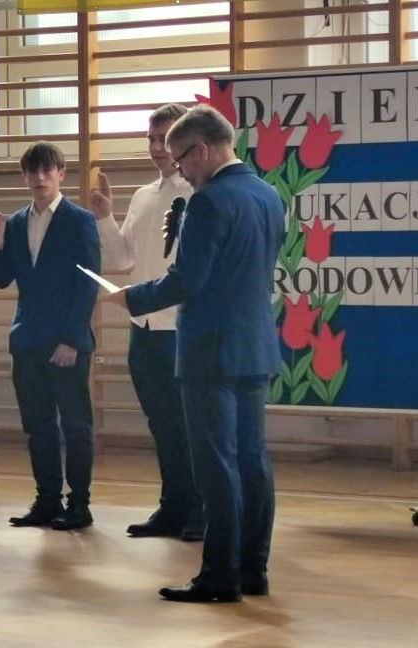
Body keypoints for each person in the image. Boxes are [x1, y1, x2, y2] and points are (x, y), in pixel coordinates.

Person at [111, 105, 283, 603]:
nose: (180, 169)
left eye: (182, 158)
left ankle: (219, 577)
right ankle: (252, 570)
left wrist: (131, 298)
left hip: (211, 349)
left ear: (202, 150)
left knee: (216, 465)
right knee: (253, 462)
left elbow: (187, 280)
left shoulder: (207, 202)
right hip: (255, 345)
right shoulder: (269, 194)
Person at [89, 104, 204, 542]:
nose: (156, 148)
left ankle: (200, 510)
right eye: (151, 139)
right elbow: (123, 260)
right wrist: (105, 216)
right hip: (144, 329)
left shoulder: (199, 194)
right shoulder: (142, 195)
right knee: (162, 424)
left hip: (181, 328)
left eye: (164, 139)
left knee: (190, 426)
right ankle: (172, 507)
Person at [0, 141, 101, 531]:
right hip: (27, 339)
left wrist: (71, 339)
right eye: (33, 171)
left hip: (66, 340)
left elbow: (87, 284)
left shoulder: (80, 220)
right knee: (37, 426)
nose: (40, 177)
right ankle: (47, 499)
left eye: (47, 170)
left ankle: (79, 503)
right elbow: (4, 280)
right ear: (24, 177)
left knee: (76, 425)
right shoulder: (16, 223)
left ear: (61, 174)